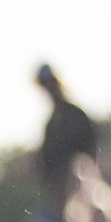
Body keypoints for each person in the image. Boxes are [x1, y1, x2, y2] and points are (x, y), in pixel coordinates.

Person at [35, 63, 99, 203]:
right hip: (63, 199)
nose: (49, 88)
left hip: (86, 192)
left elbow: (93, 152)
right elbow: (46, 167)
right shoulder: (50, 126)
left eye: (51, 83)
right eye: (45, 85)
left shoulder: (76, 115)